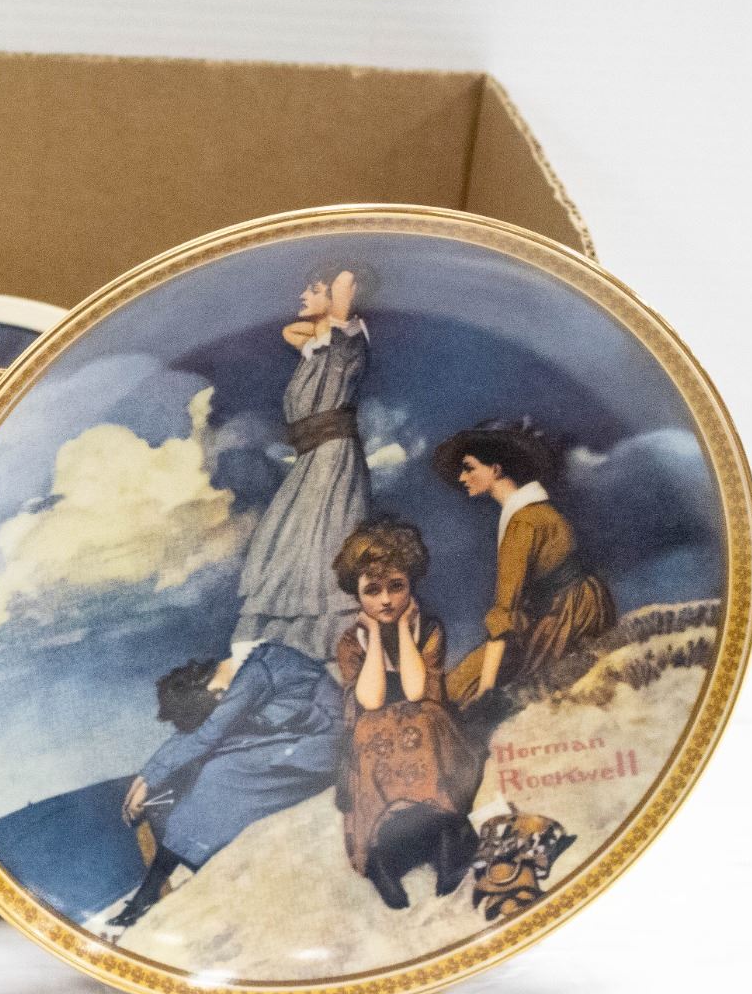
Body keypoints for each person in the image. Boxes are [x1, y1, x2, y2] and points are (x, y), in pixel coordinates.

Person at [110, 641, 343, 929]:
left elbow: (208, 732)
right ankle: (149, 893)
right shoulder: (233, 672)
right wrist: (145, 778)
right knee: (208, 770)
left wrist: (148, 783)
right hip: (293, 730)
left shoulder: (255, 672)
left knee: (218, 773)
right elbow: (198, 731)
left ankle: (168, 887)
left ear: (217, 694)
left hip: (324, 742)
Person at [227, 261, 378, 678]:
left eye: (312, 289)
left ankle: (333, 648)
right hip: (312, 458)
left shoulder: (346, 343)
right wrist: (320, 320)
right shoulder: (318, 346)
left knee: (323, 540)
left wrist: (334, 292)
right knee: (290, 543)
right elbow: (289, 333)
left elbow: (345, 279)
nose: (301, 296)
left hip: (332, 456)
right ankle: (284, 648)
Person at [331, 518, 483, 909]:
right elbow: (371, 699)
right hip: (375, 732)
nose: (385, 600)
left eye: (396, 587)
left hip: (428, 723)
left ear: (410, 586)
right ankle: (383, 856)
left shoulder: (427, 629)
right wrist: (374, 639)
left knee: (423, 720)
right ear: (357, 595)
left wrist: (401, 629)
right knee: (370, 730)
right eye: (372, 591)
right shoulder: (351, 642)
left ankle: (444, 834)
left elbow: (418, 691)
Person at [432, 417, 616, 711]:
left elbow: (505, 614)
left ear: (496, 469)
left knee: (457, 691)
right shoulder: (535, 510)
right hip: (585, 604)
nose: (462, 477)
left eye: (469, 468)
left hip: (566, 617)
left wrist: (485, 691)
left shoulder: (523, 522)